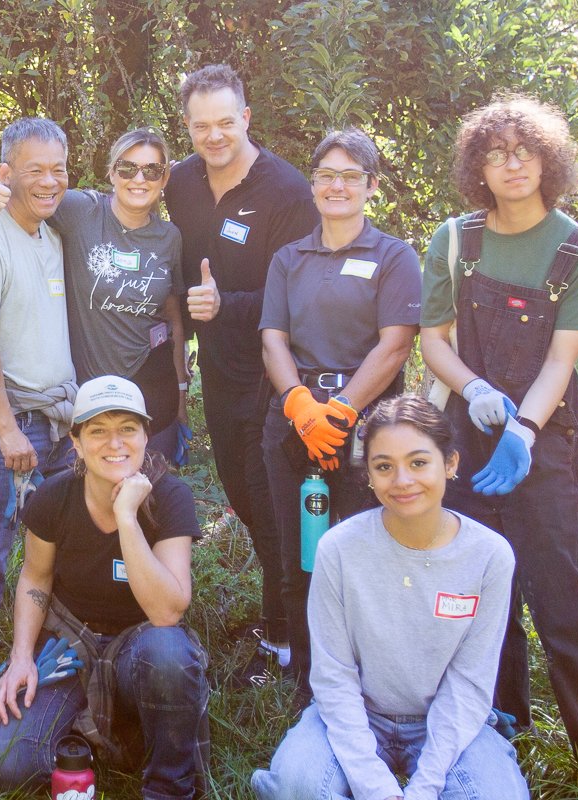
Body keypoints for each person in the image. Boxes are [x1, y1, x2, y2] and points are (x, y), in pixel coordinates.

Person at [416, 94, 578, 797]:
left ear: (550, 161)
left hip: (544, 445)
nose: (512, 165)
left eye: (525, 151)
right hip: (464, 440)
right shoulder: (456, 241)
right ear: (475, 167)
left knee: (567, 606)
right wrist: (475, 391)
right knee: (478, 596)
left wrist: (522, 427)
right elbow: (433, 342)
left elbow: (559, 361)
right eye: (495, 153)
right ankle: (494, 740)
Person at [252, 395, 525, 800]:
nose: (402, 481)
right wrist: (374, 786)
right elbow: (333, 675)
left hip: (448, 720)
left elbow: (469, 684)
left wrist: (426, 785)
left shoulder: (489, 556)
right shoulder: (338, 548)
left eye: (418, 462)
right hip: (352, 714)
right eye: (384, 467)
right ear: (369, 476)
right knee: (300, 786)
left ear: (450, 464)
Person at [0, 376, 209, 799]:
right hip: (69, 646)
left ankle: (169, 786)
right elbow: (35, 577)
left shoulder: (172, 497)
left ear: (145, 435)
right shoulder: (54, 498)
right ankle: (83, 728)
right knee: (11, 764)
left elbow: (167, 611)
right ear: (77, 442)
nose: (114, 443)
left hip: (143, 650)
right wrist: (21, 658)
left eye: (127, 428)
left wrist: (127, 517)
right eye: (97, 430)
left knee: (170, 653)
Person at [162, 64, 319, 673]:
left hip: (276, 376)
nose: (215, 135)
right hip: (219, 375)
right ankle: (281, 619)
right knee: (243, 496)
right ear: (189, 127)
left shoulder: (286, 191)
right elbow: (120, 210)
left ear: (246, 118)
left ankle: (290, 638)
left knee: (272, 498)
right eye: (202, 126)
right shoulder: (179, 182)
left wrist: (228, 305)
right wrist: (0, 189)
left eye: (226, 122)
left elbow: (299, 295)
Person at [258, 129, 421, 704]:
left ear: (371, 187)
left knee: (363, 553)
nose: (337, 186)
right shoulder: (288, 259)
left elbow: (395, 345)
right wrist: (301, 407)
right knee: (301, 554)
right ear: (312, 185)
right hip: (294, 424)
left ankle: (369, 685)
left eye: (351, 175)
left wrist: (344, 409)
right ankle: (309, 684)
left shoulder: (394, 256)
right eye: (327, 174)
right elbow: (273, 340)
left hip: (369, 427)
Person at [0, 117, 78, 706]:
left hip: (57, 424)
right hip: (12, 423)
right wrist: (6, 429)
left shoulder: (50, 237)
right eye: (35, 171)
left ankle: (45, 661)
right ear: (7, 172)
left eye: (59, 169)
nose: (49, 182)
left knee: (50, 549)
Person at [0, 127, 190, 448]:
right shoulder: (82, 212)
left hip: (153, 387)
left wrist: (182, 394)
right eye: (128, 168)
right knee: (96, 490)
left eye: (152, 170)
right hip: (90, 389)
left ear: (164, 178)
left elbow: (172, 320)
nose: (139, 179)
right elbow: (27, 193)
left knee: (152, 491)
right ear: (113, 173)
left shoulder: (170, 237)